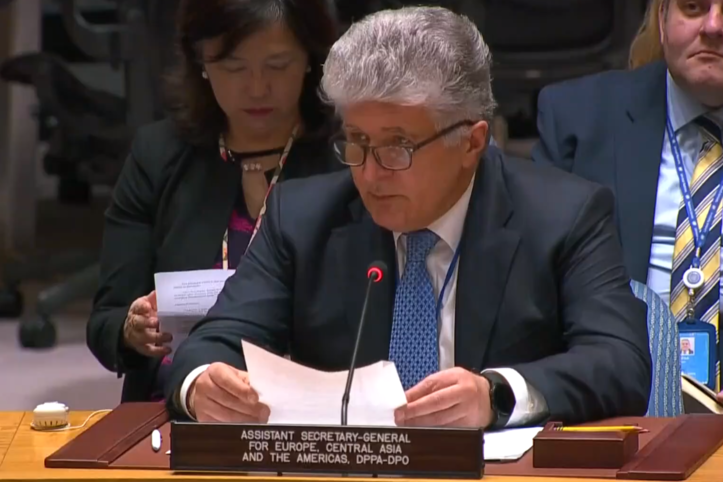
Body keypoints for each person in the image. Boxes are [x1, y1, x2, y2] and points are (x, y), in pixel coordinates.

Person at [166, 6, 652, 427]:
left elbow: (619, 362)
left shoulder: (564, 216)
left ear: (471, 143)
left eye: (398, 145)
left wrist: (495, 395)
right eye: (357, 141)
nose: (370, 173)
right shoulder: (301, 218)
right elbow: (211, 344)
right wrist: (202, 384)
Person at [86, 0, 341, 403]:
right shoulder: (159, 155)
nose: (257, 88)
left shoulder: (351, 155)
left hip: (315, 402)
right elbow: (105, 321)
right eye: (234, 68)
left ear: (310, 60)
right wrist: (132, 330)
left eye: (277, 66)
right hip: (180, 402)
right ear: (201, 62)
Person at [531, 0, 723, 402]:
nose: (713, 26)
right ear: (662, 18)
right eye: (693, 6)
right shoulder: (578, 120)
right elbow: (531, 302)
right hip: (618, 411)